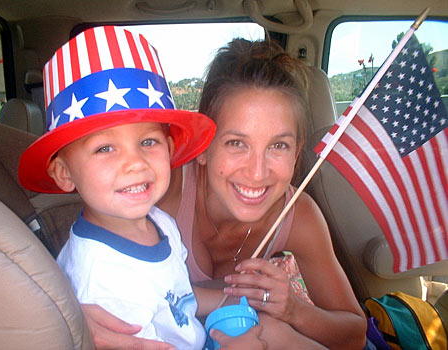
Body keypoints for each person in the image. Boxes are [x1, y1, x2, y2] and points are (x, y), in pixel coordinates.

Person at [82, 36, 368, 350]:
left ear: (297, 153)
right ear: (203, 147)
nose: (257, 172)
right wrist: (77, 317)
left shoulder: (298, 215)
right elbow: (91, 255)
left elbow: (354, 335)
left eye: (278, 146)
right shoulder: (159, 193)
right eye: (236, 143)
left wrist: (293, 310)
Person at [18, 26, 266, 350]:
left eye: (148, 141)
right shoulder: (102, 280)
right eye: (105, 148)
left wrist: (236, 299)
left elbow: (179, 301)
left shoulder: (159, 222)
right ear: (64, 173)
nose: (135, 163)